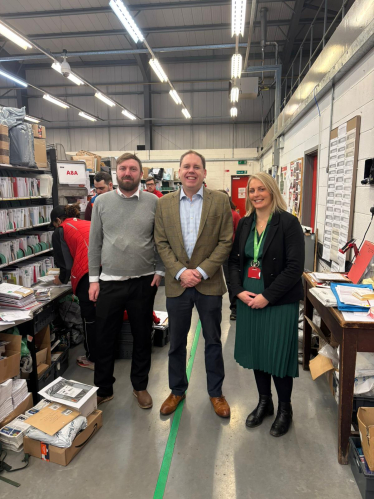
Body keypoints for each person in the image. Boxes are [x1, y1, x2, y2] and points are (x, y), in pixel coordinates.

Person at [155, 150, 233, 418]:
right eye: (186, 166)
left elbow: (226, 241)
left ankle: (216, 393)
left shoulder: (220, 201)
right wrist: (180, 272)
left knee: (213, 341)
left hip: (208, 284)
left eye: (196, 167)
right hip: (178, 285)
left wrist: (200, 271)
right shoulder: (163, 204)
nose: (191, 171)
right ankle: (177, 390)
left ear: (204, 172)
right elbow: (161, 243)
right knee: (176, 343)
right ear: (179, 172)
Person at [229, 172, 304, 437]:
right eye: (252, 191)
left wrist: (268, 296)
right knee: (258, 353)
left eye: (261, 189)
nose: (256, 195)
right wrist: (238, 292)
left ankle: (285, 408)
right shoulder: (246, 223)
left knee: (278, 356)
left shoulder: (288, 223)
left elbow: (295, 267)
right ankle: (265, 402)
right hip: (249, 299)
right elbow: (236, 261)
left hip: (278, 300)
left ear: (272, 191)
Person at [88, 152, 164, 408]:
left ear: (140, 174)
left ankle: (140, 387)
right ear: (116, 174)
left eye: (133, 169)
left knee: (143, 336)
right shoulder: (101, 201)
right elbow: (95, 242)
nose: (127, 173)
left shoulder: (153, 202)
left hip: (143, 282)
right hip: (109, 282)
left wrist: (160, 270)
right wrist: (93, 279)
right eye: (123, 169)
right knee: (104, 338)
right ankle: (103, 388)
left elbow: (161, 239)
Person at [51, 204, 96, 370]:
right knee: (104, 314)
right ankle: (107, 354)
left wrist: (61, 280)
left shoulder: (61, 230)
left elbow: (65, 263)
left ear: (57, 220)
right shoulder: (84, 223)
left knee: (89, 317)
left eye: (54, 224)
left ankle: (92, 358)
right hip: (106, 270)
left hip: (87, 274)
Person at [218, 190, 241, 321]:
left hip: (229, 255)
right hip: (214, 254)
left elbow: (238, 235)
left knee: (230, 281)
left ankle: (235, 308)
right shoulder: (214, 214)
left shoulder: (234, 215)